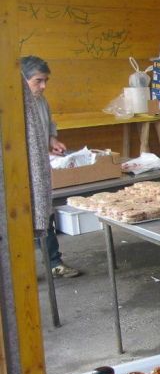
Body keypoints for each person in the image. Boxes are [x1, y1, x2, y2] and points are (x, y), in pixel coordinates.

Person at [22, 55, 81, 278]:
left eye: (45, 80)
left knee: (44, 215)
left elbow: (48, 125)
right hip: (18, 174)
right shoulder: (11, 103)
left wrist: (52, 140)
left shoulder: (40, 101)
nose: (43, 86)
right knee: (18, 222)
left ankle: (54, 262)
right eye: (38, 80)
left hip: (38, 172)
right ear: (22, 79)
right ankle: (19, 272)